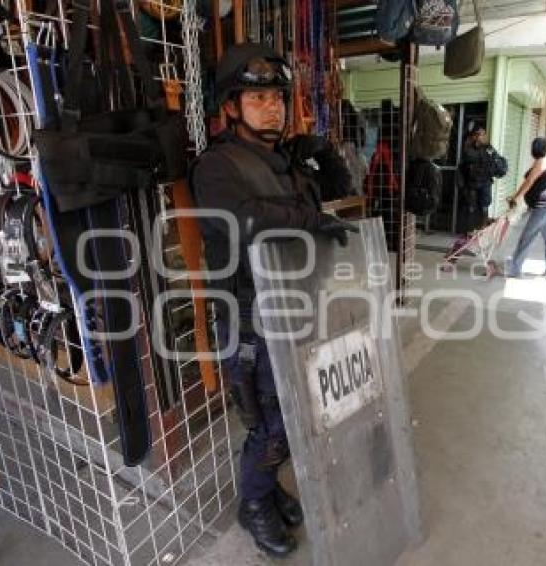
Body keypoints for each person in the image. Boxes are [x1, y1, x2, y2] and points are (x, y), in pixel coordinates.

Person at [190, 43, 357, 558]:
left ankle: (265, 486)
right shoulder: (216, 165)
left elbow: (340, 195)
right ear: (231, 106)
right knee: (272, 424)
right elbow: (247, 220)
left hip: (299, 306)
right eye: (258, 98)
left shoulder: (289, 163)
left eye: (278, 98)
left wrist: (324, 153)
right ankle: (254, 501)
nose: (273, 108)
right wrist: (309, 218)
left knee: (296, 412)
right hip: (251, 322)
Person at [504, 137, 546, 279]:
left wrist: (516, 197)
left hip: (544, 206)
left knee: (527, 236)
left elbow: (529, 181)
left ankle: (514, 268)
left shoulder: (542, 161)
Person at [449, 122, 507, 253]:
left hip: (484, 192)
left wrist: (490, 154)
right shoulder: (469, 149)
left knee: (483, 218)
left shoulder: (488, 149)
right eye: (479, 134)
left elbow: (498, 164)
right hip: (471, 192)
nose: (482, 136)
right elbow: (469, 161)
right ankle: (460, 248)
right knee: (469, 220)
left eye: (483, 134)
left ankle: (480, 244)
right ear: (474, 136)